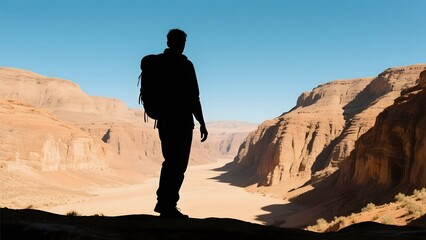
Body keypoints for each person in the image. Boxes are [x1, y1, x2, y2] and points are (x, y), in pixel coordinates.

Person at [148, 29, 208, 218]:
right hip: (182, 122)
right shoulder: (185, 65)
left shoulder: (158, 63)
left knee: (170, 162)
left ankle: (163, 203)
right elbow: (193, 97)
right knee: (178, 165)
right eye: (181, 41)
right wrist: (202, 122)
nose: (182, 45)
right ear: (176, 43)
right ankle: (168, 205)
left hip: (165, 121)